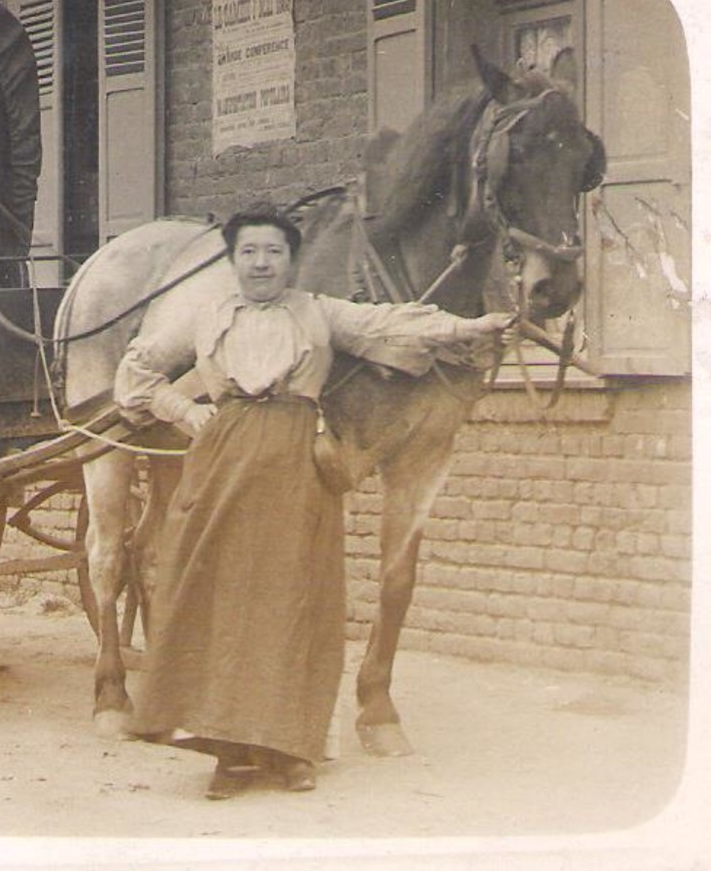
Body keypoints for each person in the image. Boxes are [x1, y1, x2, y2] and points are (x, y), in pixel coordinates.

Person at [114, 203, 513, 799]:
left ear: (291, 260)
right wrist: (186, 412)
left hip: (298, 462)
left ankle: (290, 749)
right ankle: (230, 754)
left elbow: (390, 325)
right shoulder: (206, 316)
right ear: (232, 259)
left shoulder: (319, 313)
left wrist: (468, 328)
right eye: (249, 252)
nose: (261, 264)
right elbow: (138, 369)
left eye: (274, 252)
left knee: (295, 602)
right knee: (221, 601)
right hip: (223, 459)